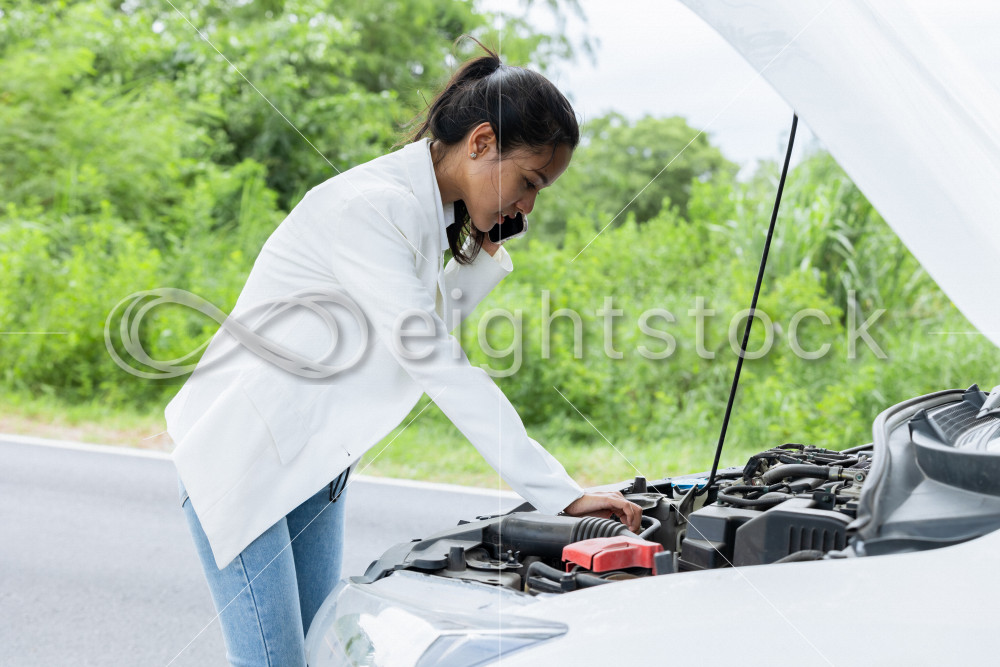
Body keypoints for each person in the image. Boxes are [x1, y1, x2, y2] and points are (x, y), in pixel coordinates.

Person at [167, 44, 642, 666]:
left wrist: (484, 253)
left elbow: (418, 330)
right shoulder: (373, 207)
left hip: (314, 469)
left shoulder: (421, 212)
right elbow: (435, 361)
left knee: (325, 654)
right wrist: (561, 493)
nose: (528, 206)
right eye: (530, 182)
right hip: (246, 458)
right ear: (481, 142)